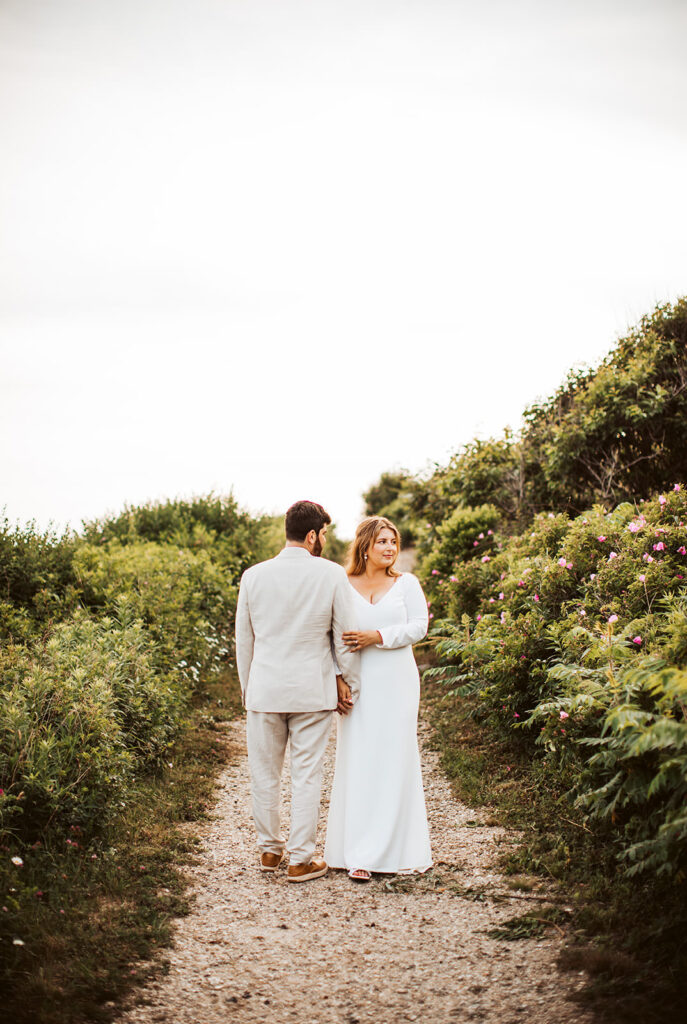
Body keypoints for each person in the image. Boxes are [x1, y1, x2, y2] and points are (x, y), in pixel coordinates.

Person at [235, 500, 360, 882]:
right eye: (323, 534)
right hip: (312, 690)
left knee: (264, 774)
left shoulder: (253, 576)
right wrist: (348, 682)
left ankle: (270, 852)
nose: (323, 540)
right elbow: (345, 638)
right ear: (311, 535)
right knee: (307, 775)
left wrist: (248, 690)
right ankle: (301, 859)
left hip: (264, 690)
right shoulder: (331, 574)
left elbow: (245, 640)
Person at [324, 515, 432, 881]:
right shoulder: (342, 582)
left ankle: (397, 850)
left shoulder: (407, 584)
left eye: (393, 542)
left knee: (395, 759)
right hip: (357, 683)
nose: (389, 548)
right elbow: (329, 634)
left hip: (397, 680)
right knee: (358, 761)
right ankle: (356, 853)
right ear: (365, 545)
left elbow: (419, 626)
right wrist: (337, 679)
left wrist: (377, 636)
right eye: (382, 541)